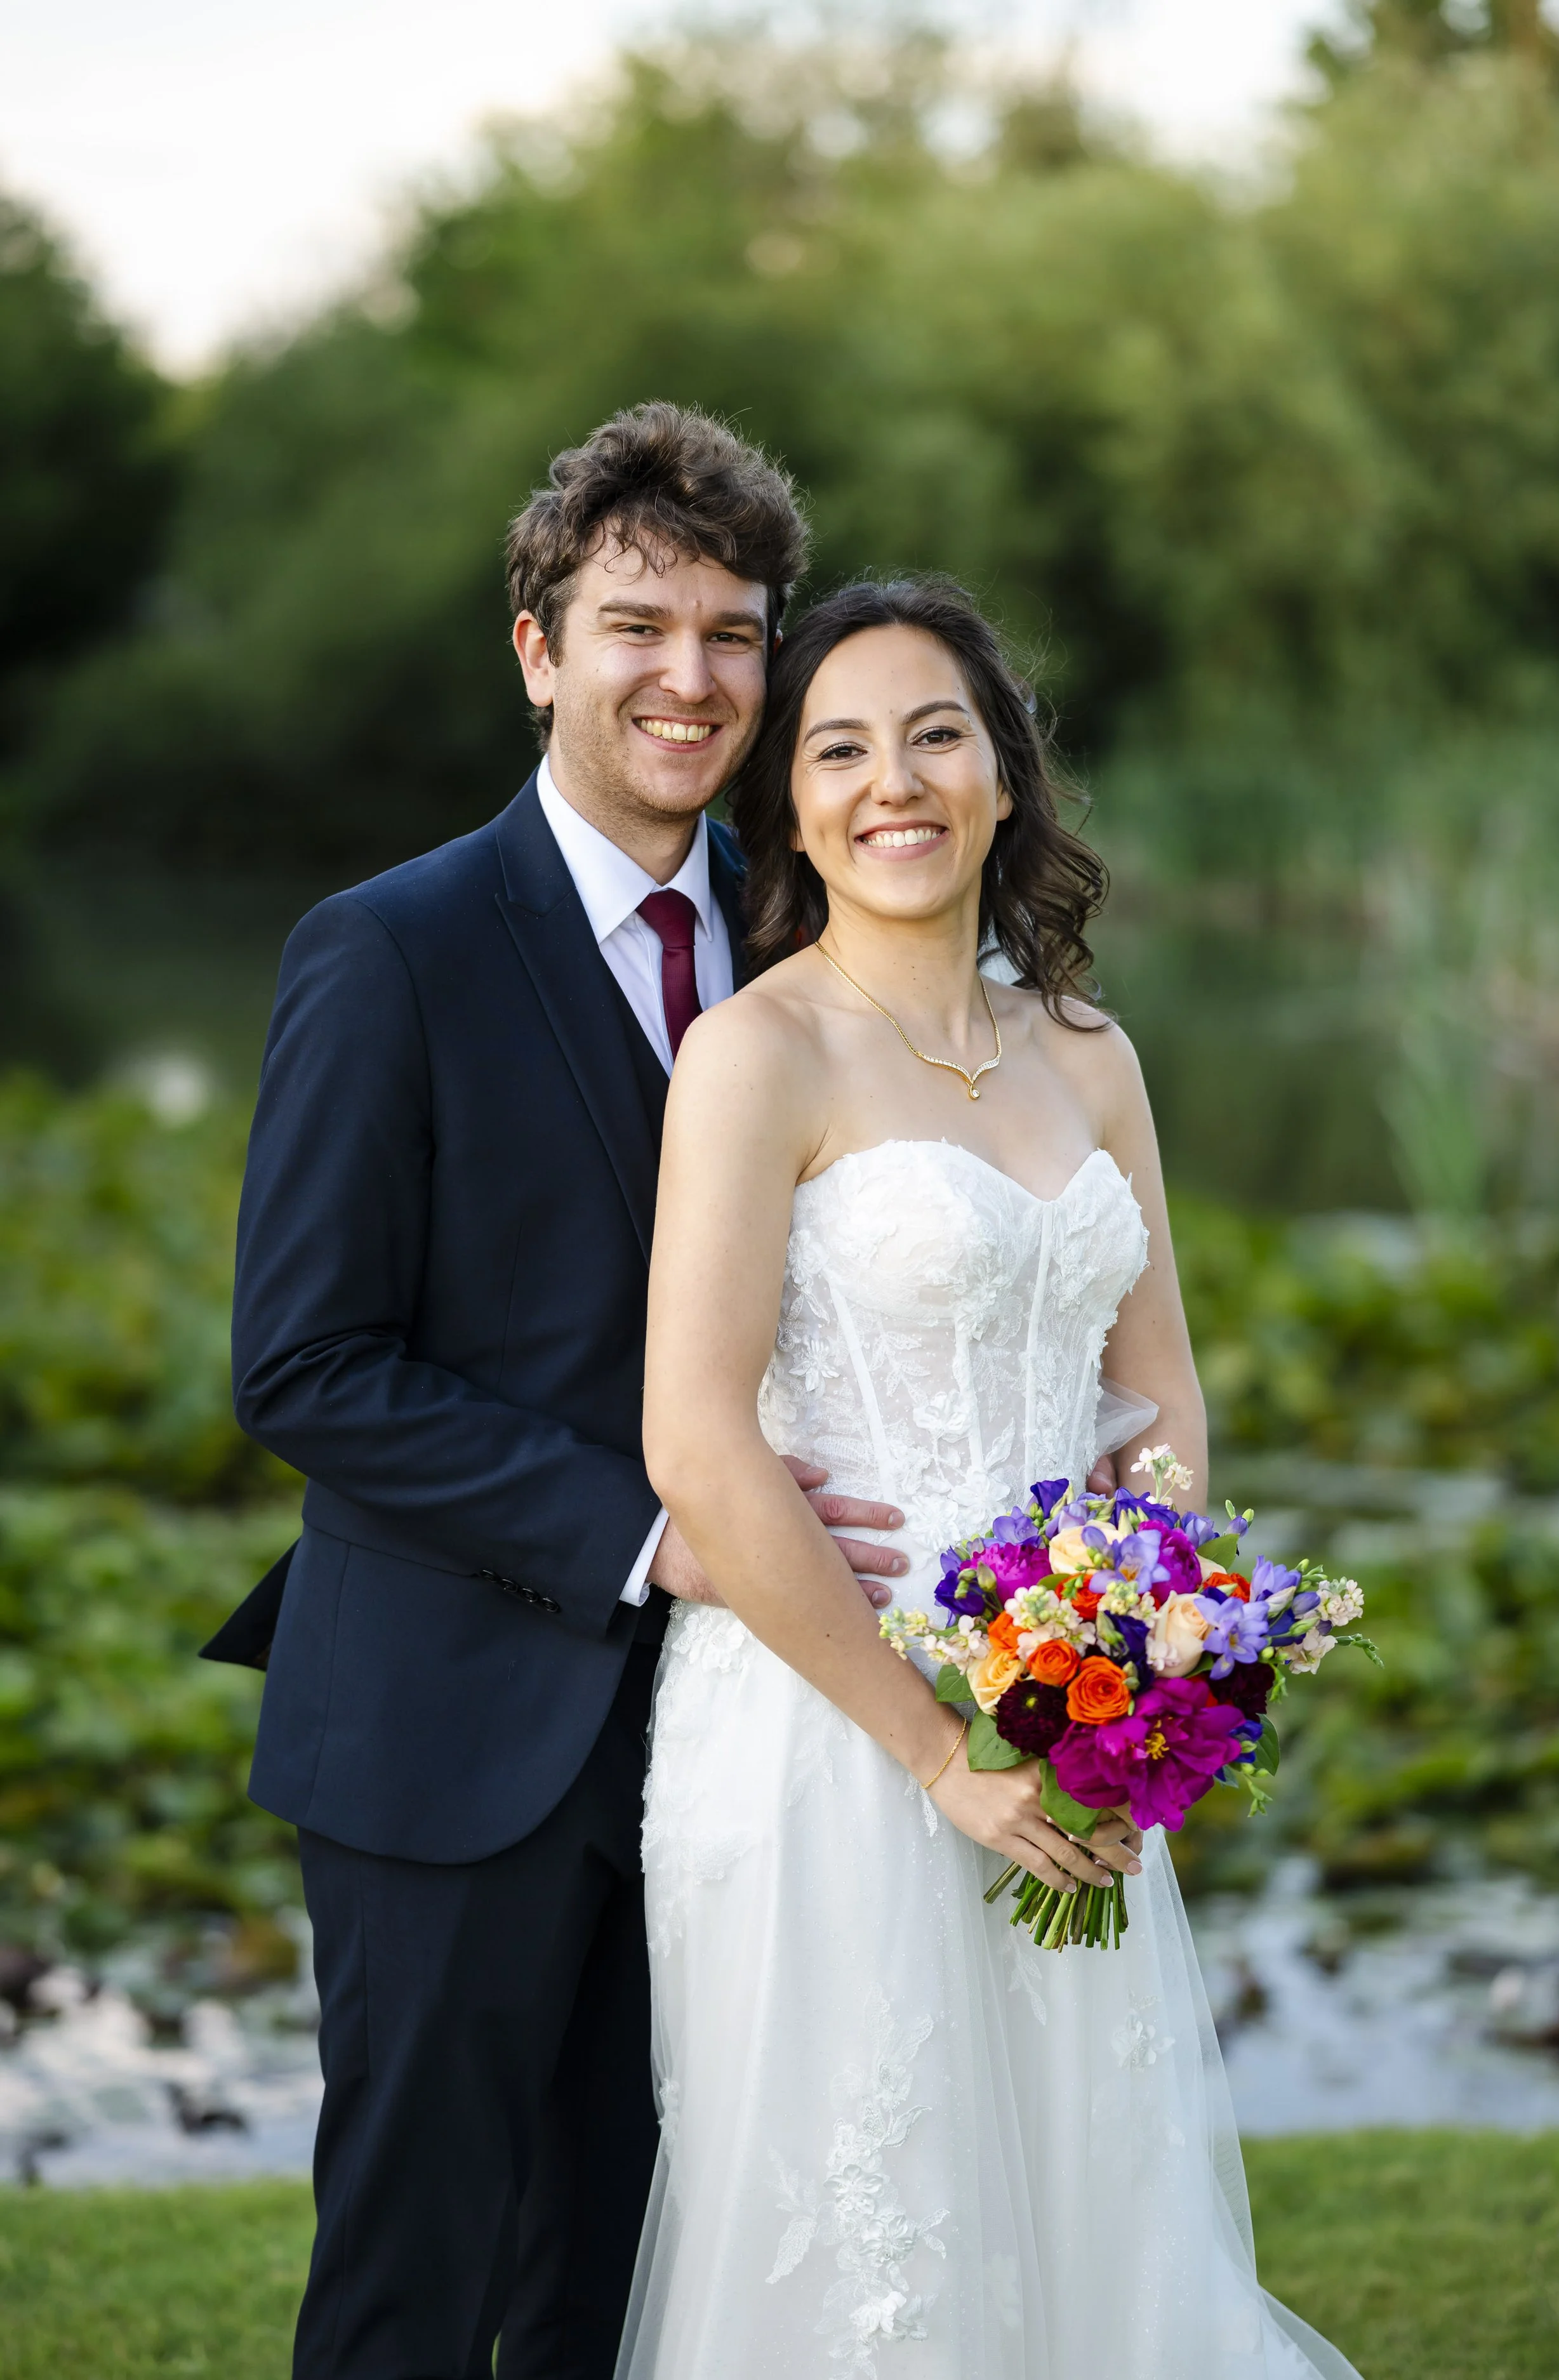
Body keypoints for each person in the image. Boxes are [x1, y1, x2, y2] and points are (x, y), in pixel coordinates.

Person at [207, 405, 906, 2380]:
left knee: (621, 2278)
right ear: (537, 644)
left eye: (734, 632)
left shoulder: (803, 937)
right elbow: (307, 1362)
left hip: (724, 1744)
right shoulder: (392, 947)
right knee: (416, 2287)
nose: (690, 676)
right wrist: (653, 1526)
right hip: (449, 1732)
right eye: (637, 623)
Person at [631, 578, 1362, 2377]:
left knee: (1092, 2231)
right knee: (875, 2255)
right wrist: (938, 1750)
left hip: (1073, 1722)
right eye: (841, 747)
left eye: (936, 733)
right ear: (789, 807)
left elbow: (1155, 1383)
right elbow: (695, 1438)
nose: (896, 781)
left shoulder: (1089, 1055)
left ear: (1006, 776)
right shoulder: (755, 1056)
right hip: (828, 1731)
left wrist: (1150, 1671)